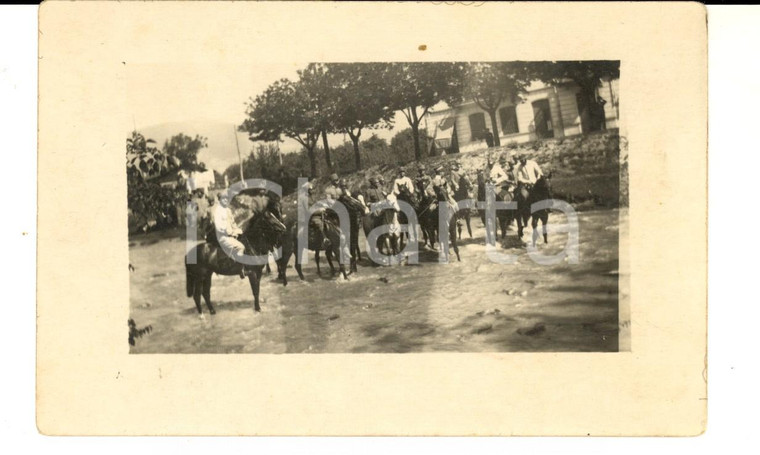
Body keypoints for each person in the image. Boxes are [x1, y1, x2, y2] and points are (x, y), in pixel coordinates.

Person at [214, 191, 248, 278]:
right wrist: (231, 233)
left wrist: (239, 230)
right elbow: (219, 227)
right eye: (223, 198)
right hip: (223, 237)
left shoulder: (228, 210)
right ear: (219, 200)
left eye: (226, 198)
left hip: (231, 236)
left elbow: (233, 224)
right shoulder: (218, 211)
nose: (225, 200)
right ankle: (240, 269)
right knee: (241, 247)